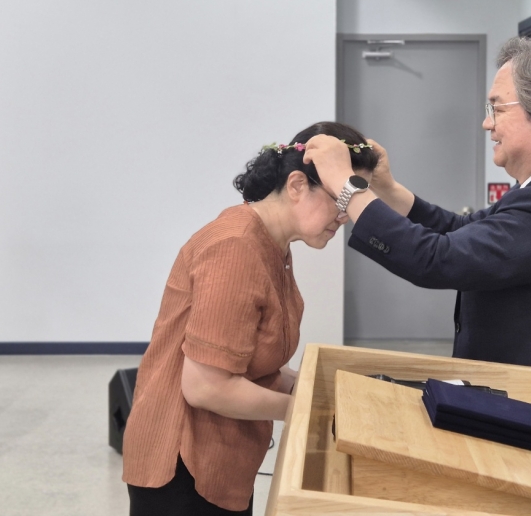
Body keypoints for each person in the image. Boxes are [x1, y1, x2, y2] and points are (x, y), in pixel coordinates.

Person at [304, 34, 531, 429]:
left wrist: (346, 185)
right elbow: (461, 231)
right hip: (516, 407)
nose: (487, 123)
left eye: (497, 108)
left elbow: (437, 259)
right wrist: (388, 189)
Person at [122, 121, 378, 515]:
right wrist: (311, 412)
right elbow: (206, 388)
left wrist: (326, 390)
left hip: (221, 457)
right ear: (297, 185)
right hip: (181, 466)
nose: (346, 216)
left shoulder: (273, 245)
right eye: (341, 197)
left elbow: (252, 361)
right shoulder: (236, 247)